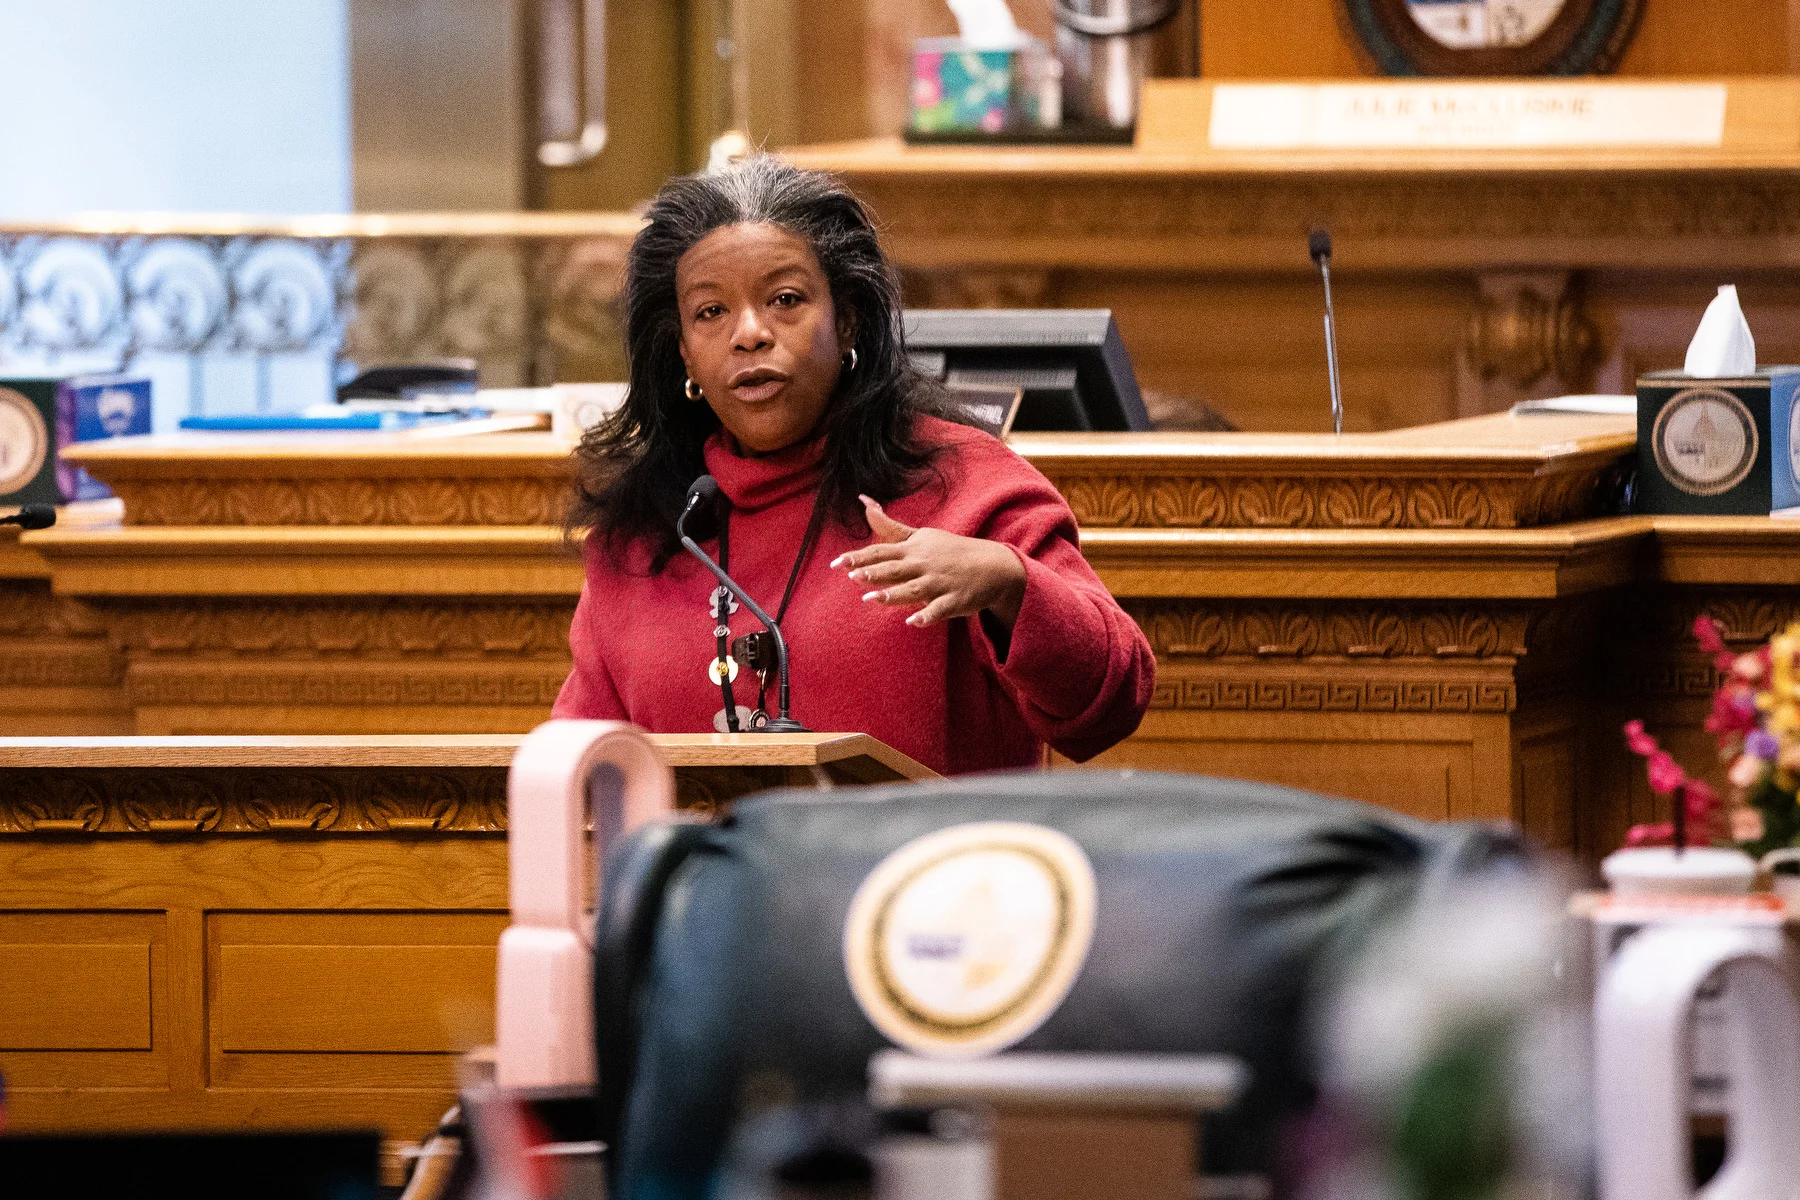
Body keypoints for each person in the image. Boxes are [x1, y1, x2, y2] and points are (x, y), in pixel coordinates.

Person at [555, 157, 1154, 775]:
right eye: (711, 312)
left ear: (847, 321)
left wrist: (1010, 582)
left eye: (785, 300)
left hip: (928, 869)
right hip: (706, 872)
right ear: (682, 350)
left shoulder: (964, 485)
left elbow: (1114, 699)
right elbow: (577, 769)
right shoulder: (650, 528)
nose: (750, 333)